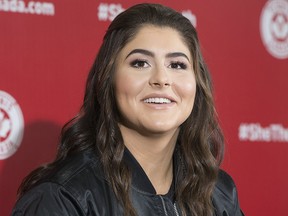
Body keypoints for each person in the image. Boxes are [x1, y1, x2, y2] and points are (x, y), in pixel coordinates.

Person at [12, 3, 244, 216]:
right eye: (140, 63)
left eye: (177, 65)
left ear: (197, 83)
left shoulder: (219, 193)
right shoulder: (64, 197)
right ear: (107, 79)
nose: (162, 79)